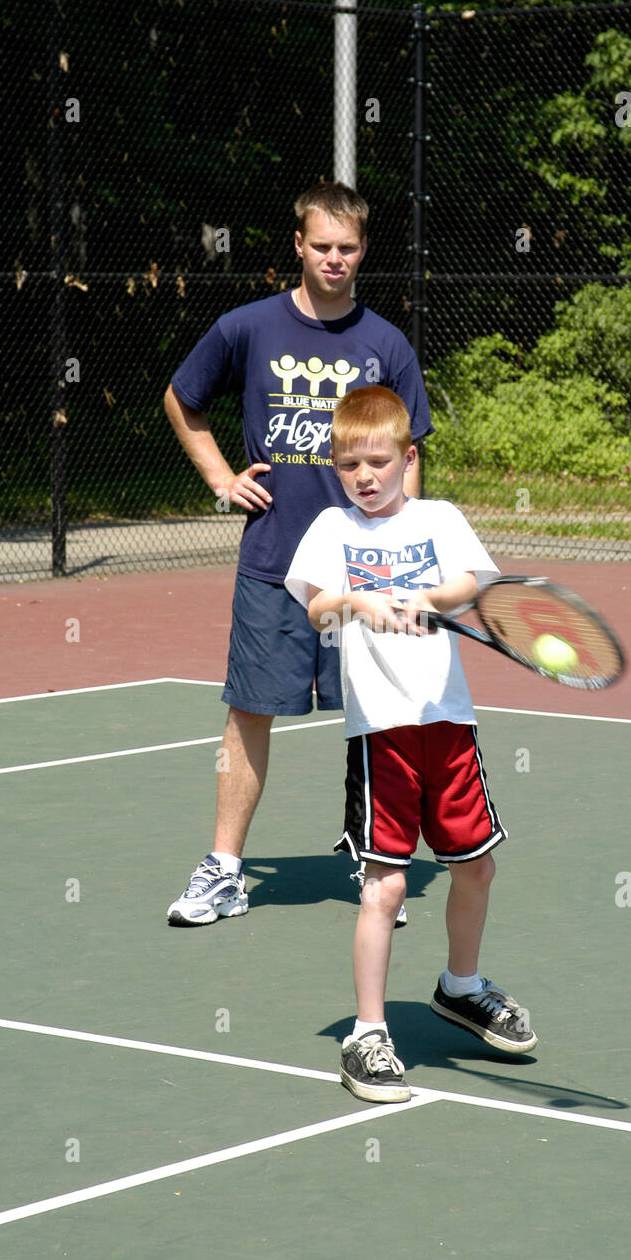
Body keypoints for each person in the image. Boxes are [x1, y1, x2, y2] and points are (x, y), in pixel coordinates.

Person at [163, 183, 432, 926]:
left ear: (363, 250)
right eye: (322, 246)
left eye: (347, 248)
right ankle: (223, 870)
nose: (335, 259)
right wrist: (220, 477)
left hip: (366, 569)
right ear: (299, 246)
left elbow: (410, 455)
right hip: (275, 562)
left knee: (377, 716)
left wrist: (408, 550)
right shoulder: (246, 328)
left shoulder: (387, 344)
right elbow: (182, 397)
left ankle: (378, 863)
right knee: (249, 710)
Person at [285, 384, 538, 1103]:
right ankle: (366, 1034)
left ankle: (460, 987)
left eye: (378, 461)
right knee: (385, 884)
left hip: (449, 726)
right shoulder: (333, 532)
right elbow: (314, 609)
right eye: (348, 465)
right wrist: (358, 602)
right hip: (382, 737)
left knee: (477, 868)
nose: (364, 476)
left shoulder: (439, 518)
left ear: (408, 456)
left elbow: (469, 581)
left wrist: (425, 600)